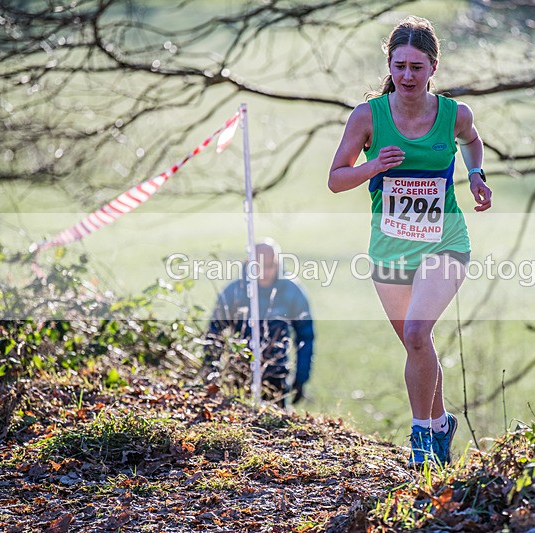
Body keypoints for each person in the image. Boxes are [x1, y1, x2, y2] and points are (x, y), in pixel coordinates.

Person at [328, 16, 492, 467]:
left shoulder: (454, 114)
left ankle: (421, 439)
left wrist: (477, 174)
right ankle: (440, 424)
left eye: (416, 67)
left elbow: (472, 141)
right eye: (399, 65)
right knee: (416, 345)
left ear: (433, 67)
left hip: (445, 241)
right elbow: (336, 179)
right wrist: (373, 166)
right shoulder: (368, 117)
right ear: (389, 65)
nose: (406, 76)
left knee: (418, 332)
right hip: (390, 248)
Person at [204, 239, 315, 408]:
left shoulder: (292, 291)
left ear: (278, 264)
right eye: (258, 266)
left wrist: (301, 378)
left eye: (270, 266)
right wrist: (211, 371)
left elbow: (305, 336)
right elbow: (214, 333)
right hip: (238, 375)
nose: (264, 272)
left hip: (277, 376)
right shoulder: (234, 292)